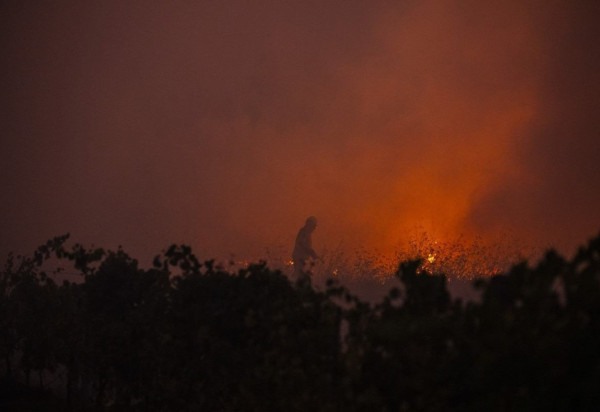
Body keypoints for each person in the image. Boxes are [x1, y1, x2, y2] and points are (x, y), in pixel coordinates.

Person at [292, 216, 319, 286]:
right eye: (313, 226)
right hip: (299, 257)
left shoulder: (307, 233)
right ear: (309, 224)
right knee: (298, 273)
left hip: (302, 257)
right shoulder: (303, 232)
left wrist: (311, 252)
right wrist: (311, 252)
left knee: (299, 273)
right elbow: (301, 243)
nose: (314, 228)